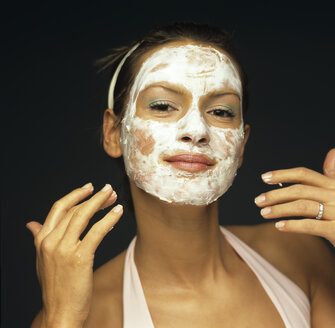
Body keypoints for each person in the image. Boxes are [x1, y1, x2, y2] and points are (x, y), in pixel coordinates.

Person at [27, 22, 335, 328]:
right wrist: (61, 318)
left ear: (242, 144)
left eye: (221, 111)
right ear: (114, 133)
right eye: (163, 106)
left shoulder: (299, 256)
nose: (196, 131)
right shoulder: (84, 314)